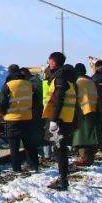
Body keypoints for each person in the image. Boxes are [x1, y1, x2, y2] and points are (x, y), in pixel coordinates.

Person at [43, 51, 76, 190]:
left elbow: (58, 100)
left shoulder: (60, 79)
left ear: (54, 62)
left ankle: (63, 181)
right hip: (67, 118)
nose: (48, 63)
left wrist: (53, 120)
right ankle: (63, 179)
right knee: (60, 149)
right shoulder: (69, 78)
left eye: (49, 60)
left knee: (59, 150)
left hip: (59, 120)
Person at [0, 65, 39, 172]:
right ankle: (34, 165)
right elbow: (36, 100)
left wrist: (3, 113)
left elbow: (1, 103)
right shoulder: (29, 84)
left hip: (12, 119)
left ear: (9, 73)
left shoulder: (8, 85)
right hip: (27, 118)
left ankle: (17, 168)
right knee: (29, 144)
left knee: (14, 145)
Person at [71, 63, 100, 166]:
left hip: (82, 111)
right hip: (93, 110)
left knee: (81, 137)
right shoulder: (91, 81)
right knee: (90, 135)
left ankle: (84, 158)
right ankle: (90, 158)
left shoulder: (77, 82)